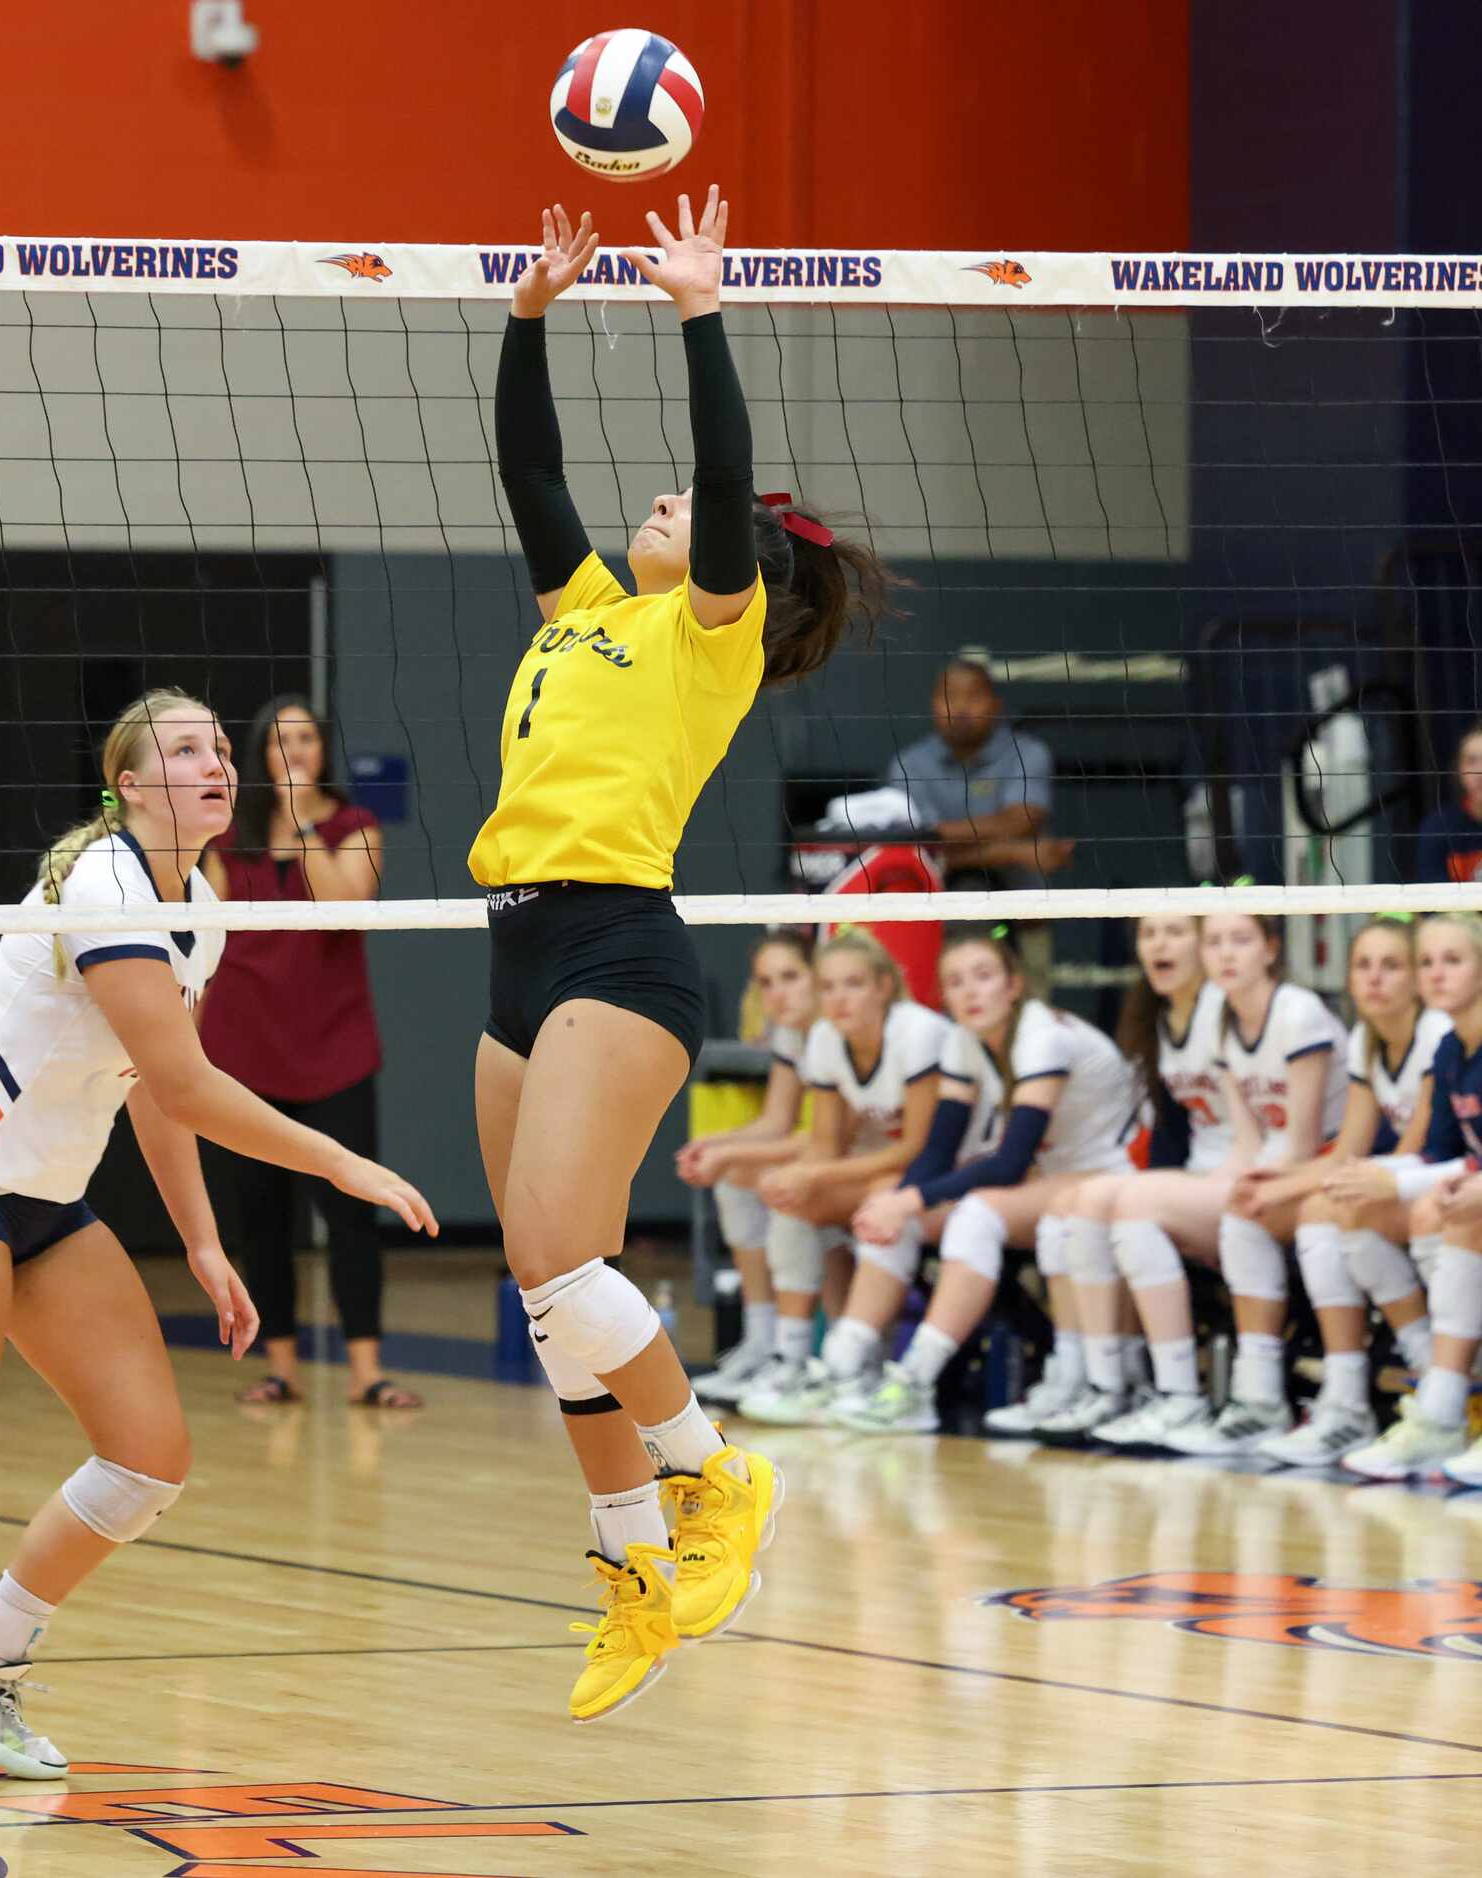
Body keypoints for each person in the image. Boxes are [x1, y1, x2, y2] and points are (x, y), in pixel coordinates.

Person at [0, 687, 435, 1784]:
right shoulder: (104, 879)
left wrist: (203, 1242)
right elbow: (192, 1083)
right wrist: (339, 1159)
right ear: (128, 783)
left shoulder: (199, 898)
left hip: (45, 1200)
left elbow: (159, 1093)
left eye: (217, 746)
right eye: (186, 748)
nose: (216, 762)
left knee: (150, 1454)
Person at [475, 192, 888, 1722]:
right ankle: (637, 1567)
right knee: (539, 1287)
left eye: (680, 511)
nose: (654, 507)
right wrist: (530, 320)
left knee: (567, 1256)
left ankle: (719, 1474)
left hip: (616, 945)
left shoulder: (711, 626)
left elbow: (720, 479)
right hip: (515, 941)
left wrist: (698, 311)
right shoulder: (587, 608)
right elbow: (533, 474)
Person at [826, 931, 1141, 1435]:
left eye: (984, 976)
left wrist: (908, 1198)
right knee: (896, 1206)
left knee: (975, 1214)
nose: (971, 992)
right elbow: (937, 1151)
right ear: (943, 996)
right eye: (955, 982)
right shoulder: (964, 1041)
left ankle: (916, 1382)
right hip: (1051, 1181)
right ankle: (843, 1365)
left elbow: (1010, 1162)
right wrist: (897, 1203)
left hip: (1113, 1173)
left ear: (1014, 985)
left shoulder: (1045, 1036)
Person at [196, 694, 411, 1408]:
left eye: (307, 739)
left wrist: (302, 819)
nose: (294, 751)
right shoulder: (227, 840)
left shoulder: (356, 827)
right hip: (243, 1049)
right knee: (261, 1221)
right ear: (259, 754)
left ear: (322, 752)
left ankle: (367, 1373)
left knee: (352, 1212)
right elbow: (209, 939)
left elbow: (346, 905)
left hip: (334, 1047)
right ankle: (280, 1367)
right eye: (280, 741)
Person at [1090, 914, 1342, 1453]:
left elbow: (1300, 1144)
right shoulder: (1226, 1022)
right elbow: (1248, 1143)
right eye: (1215, 943)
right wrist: (1225, 1185)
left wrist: (1243, 1187)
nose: (1226, 955)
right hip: (1272, 1171)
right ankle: (1164, 1391)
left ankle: (1197, 1395)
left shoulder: (1297, 1014)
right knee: (1130, 1204)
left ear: (1270, 949)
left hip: (1323, 1171)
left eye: (1240, 942)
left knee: (1144, 1202)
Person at [1229, 918, 1448, 1466]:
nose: (1375, 980)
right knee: (1301, 1206)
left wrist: (1305, 1185)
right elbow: (1350, 1148)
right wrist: (1281, 1186)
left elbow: (1418, 1150)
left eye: (1391, 966)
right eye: (1363, 966)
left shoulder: (1436, 1035)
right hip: (1413, 1178)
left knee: (1333, 1209)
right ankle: (1345, 1404)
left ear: (1419, 979)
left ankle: (1434, 1377)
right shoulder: (1367, 1039)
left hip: (1439, 1180)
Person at [733, 930, 947, 1424]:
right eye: (828, 987)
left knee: (876, 1195)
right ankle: (792, 1357)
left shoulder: (918, 1032)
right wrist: (798, 1177)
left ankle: (850, 1364)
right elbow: (826, 1146)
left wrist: (817, 1173)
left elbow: (917, 1149)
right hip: (893, 1176)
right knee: (790, 1197)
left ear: (884, 987)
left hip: (948, 1174)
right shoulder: (827, 1038)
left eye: (853, 984)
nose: (838, 998)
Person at [1031, 916, 1220, 1444]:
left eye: (1175, 932)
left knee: (1116, 1205)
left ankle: (1178, 1395)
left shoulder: (1227, 1015)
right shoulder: (1154, 1021)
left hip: (1237, 1180)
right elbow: (1169, 1139)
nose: (1158, 943)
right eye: (1149, 933)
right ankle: (1108, 1383)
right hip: (1192, 1180)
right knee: (1075, 1211)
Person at [1340, 911, 1482, 1482]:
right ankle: (1443, 1407)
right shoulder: (1452, 1048)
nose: (1437, 974)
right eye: (1426, 962)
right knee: (1434, 1208)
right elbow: (1444, 1153)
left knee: (1459, 1211)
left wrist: (1400, 1182)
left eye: (1453, 960)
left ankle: (1445, 1404)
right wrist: (1390, 1179)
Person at [675, 932, 816, 1405]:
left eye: (791, 977)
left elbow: (817, 1139)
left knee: (771, 1183)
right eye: (766, 982)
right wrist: (714, 1143)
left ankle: (792, 1353)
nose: (779, 993)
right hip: (815, 1156)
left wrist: (730, 1153)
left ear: (816, 975)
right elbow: (776, 1119)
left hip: (843, 1162)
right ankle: (761, 1338)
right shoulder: (792, 1034)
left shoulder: (835, 1031)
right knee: (735, 1176)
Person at [889, 659, 1073, 887]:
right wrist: (1013, 852)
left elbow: (1019, 824)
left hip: (1021, 911)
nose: (961, 707)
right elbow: (919, 842)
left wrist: (943, 845)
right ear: (933, 704)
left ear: (996, 705)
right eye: (949, 696)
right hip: (932, 912)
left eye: (974, 695)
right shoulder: (908, 764)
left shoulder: (1028, 752)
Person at [1412, 721, 1482, 885]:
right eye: (1472, 761)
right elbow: (1432, 900)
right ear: (1459, 770)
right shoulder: (1438, 827)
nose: (1480, 771)